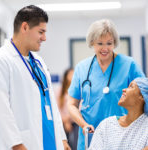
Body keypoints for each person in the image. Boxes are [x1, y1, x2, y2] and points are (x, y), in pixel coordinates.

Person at [0, 5, 70, 150]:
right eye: (41, 32)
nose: (44, 38)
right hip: (24, 143)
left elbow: (51, 103)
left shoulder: (39, 62)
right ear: (25, 27)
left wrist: (62, 138)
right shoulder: (2, 59)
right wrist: (16, 144)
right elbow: (1, 108)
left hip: (50, 141)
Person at [67, 19, 145, 150]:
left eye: (109, 43)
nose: (105, 48)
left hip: (120, 136)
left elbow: (144, 95)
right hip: (90, 137)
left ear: (115, 42)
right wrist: (83, 125)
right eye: (100, 43)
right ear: (92, 43)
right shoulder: (82, 68)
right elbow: (71, 104)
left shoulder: (129, 65)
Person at [89, 77, 148, 150]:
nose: (124, 89)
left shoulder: (145, 127)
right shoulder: (106, 125)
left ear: (142, 96)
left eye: (131, 86)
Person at [56, 68, 78, 150]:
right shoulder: (59, 91)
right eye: (70, 74)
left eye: (74, 74)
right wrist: (65, 121)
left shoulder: (77, 90)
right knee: (64, 143)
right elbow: (57, 108)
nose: (73, 76)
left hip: (75, 121)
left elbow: (78, 106)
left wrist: (70, 119)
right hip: (62, 122)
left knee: (75, 143)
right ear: (66, 76)